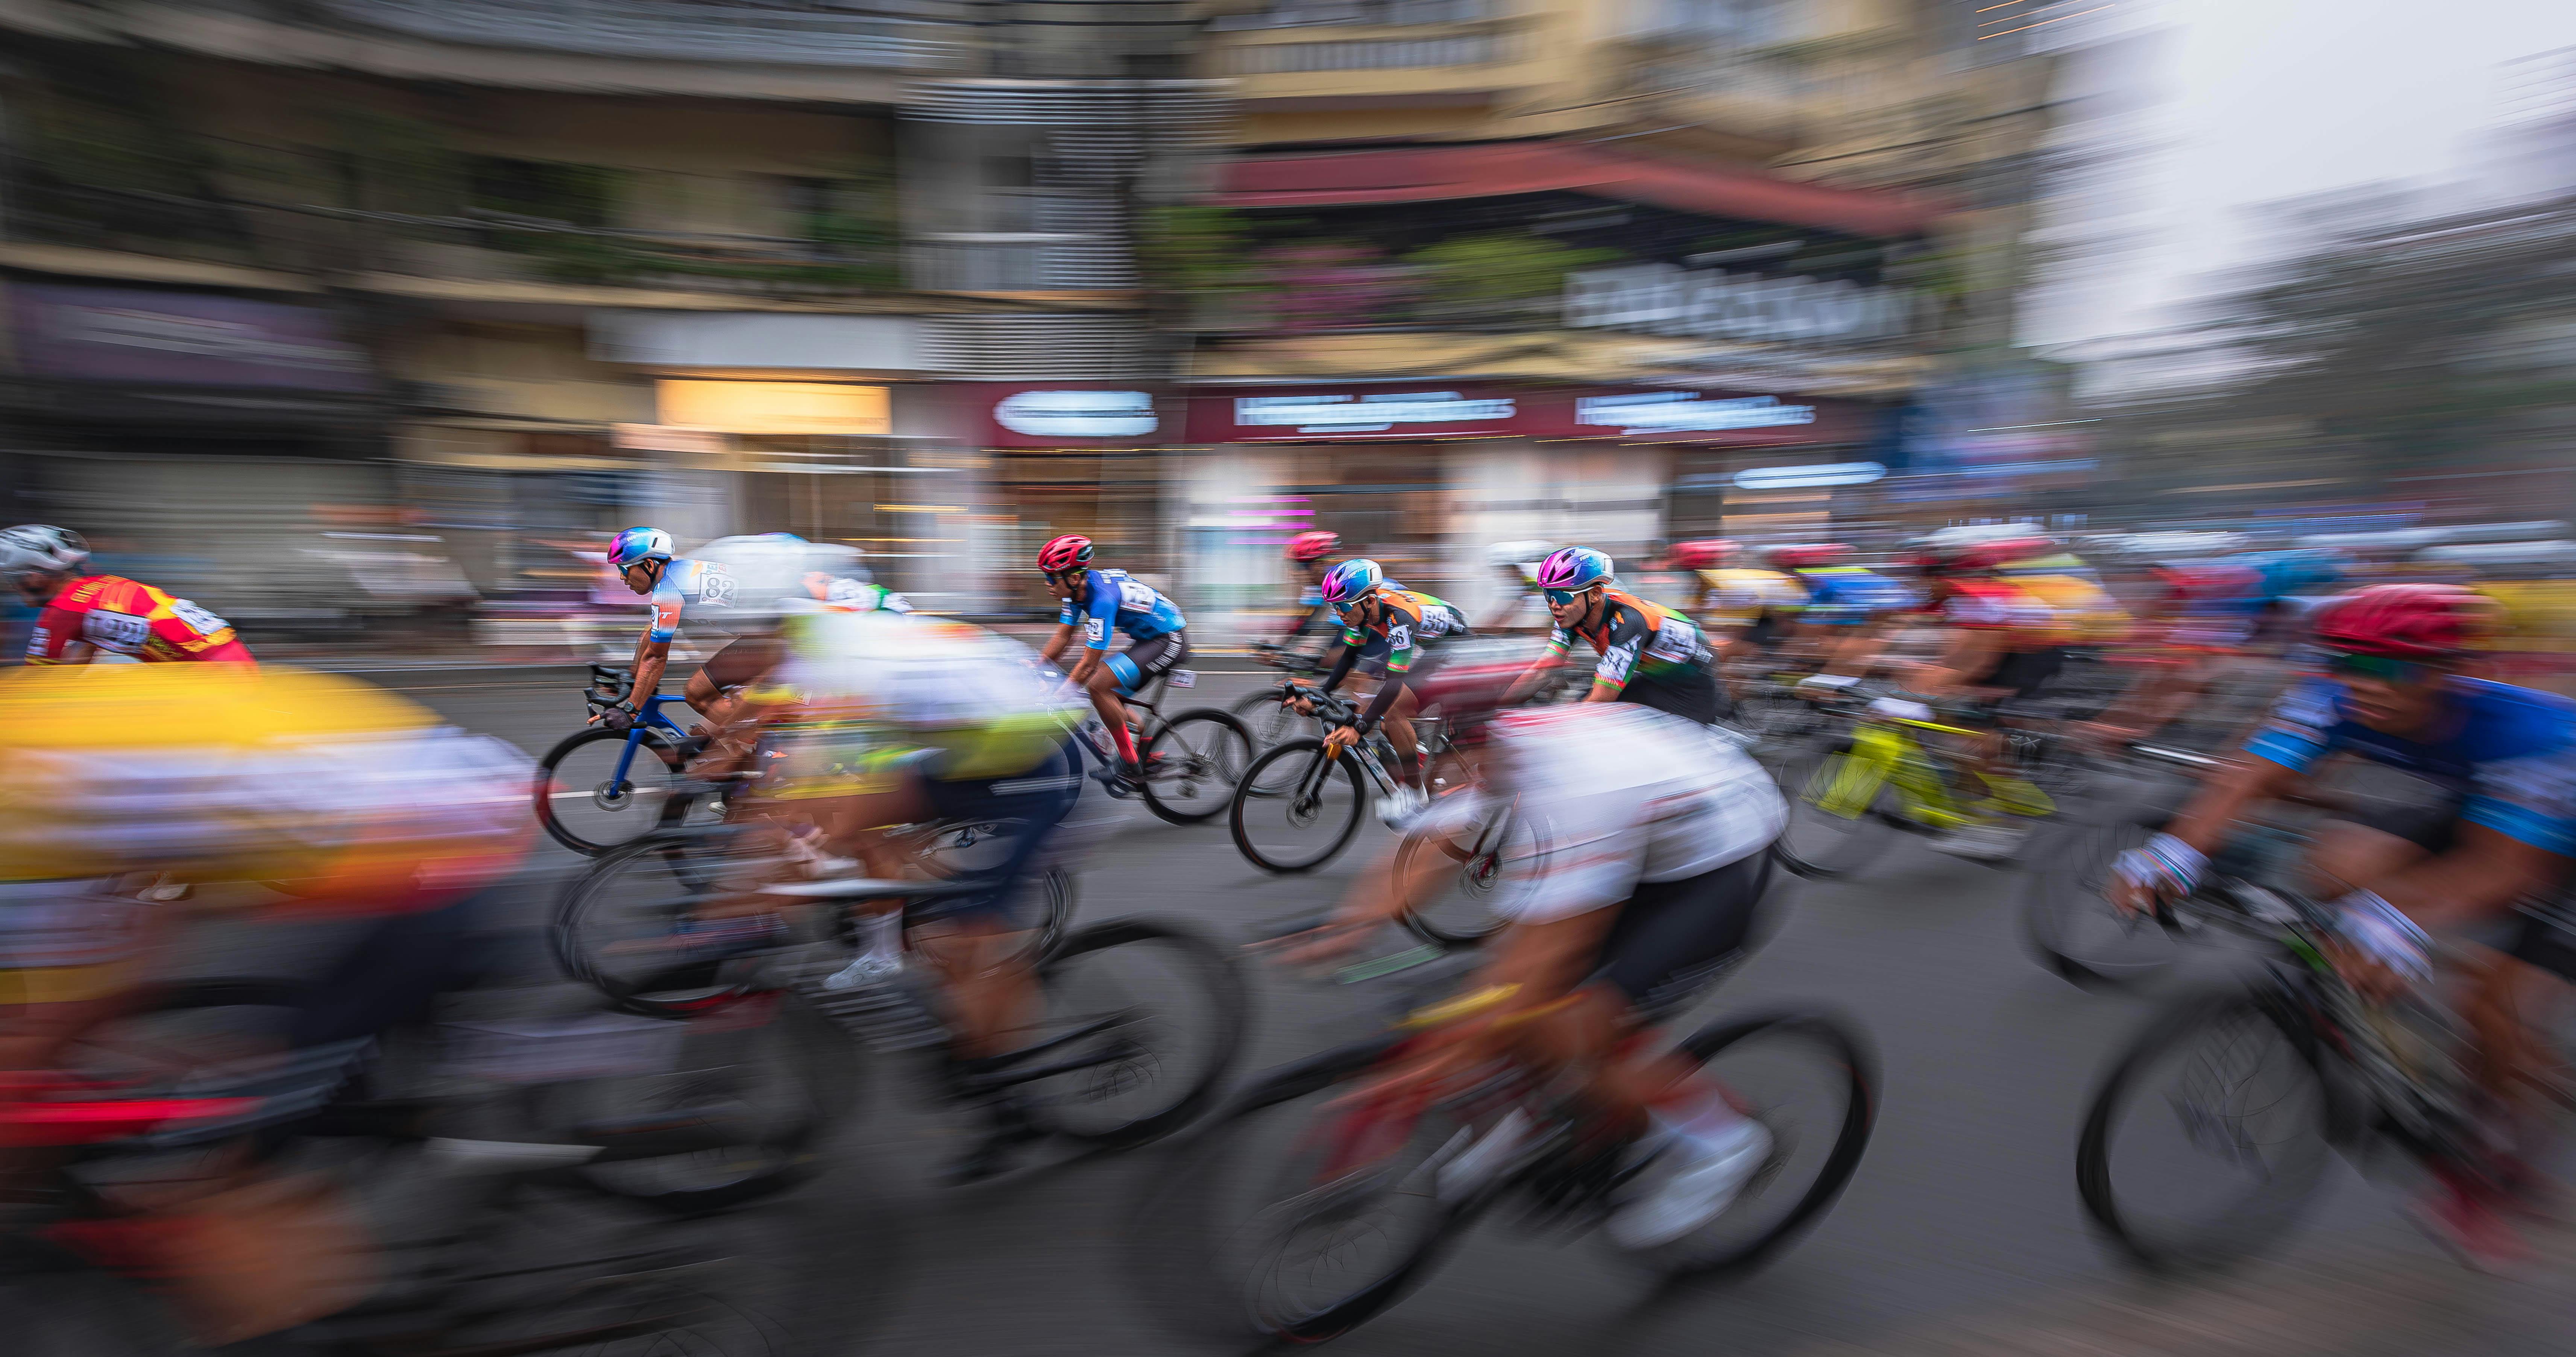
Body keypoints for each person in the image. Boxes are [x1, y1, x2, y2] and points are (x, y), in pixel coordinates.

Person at [2113, 583, 2576, 1264]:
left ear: (2447, 672)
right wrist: (2177, 851)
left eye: (2390, 669)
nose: (2366, 686)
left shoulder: (2534, 734)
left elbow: (2504, 873)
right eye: (2346, 663)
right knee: (2334, 863)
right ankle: (2396, 1007)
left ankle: (2487, 1159)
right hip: (2482, 804)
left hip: (2549, 847)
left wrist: (2398, 918)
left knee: (2492, 1006)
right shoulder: (2330, 695)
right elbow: (2243, 778)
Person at [1281, 662, 1788, 1249]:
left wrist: (1418, 1079)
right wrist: (1350, 926)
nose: (1449, 773)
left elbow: (1537, 967)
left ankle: (1721, 1143)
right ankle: (1536, 1105)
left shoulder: (1577, 791)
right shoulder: (1505, 750)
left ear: (1496, 737)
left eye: (1461, 757)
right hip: (1649, 837)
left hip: (1717, 865)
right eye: (1443, 754)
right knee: (1512, 1001)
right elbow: (1430, 848)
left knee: (1575, 1020)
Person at [718, 608, 1089, 1181]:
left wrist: (791, 866)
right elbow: (811, 778)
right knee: (868, 833)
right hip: (975, 748)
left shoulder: (855, 668)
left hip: (1042, 763)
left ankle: (1011, 1105)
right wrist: (775, 849)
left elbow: (851, 781)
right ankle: (914, 933)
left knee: (970, 945)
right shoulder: (823, 655)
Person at [1287, 559, 1470, 821]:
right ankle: (1415, 753)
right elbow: (1348, 659)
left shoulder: (1399, 618)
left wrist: (1359, 726)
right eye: (1334, 606)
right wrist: (1319, 696)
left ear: (1369, 601)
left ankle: (1414, 795)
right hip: (1434, 648)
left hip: (1458, 651)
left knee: (1394, 712)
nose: (1338, 613)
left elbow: (1395, 683)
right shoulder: (1361, 612)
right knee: (1386, 721)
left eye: (1342, 606)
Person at [1033, 534, 1188, 790]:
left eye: (1051, 577)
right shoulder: (1074, 594)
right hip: (1148, 638)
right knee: (1109, 694)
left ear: (1073, 578)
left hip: (1168, 639)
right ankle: (1144, 753)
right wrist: (1037, 666)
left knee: (1097, 685)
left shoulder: (1101, 600)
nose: (1047, 583)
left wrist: (1058, 698)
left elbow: (1088, 665)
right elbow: (1063, 636)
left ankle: (1130, 762)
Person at [1507, 546, 1724, 725]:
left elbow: (1602, 699)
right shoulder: (1572, 615)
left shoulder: (1627, 622)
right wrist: (1495, 713)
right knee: (1581, 707)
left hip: (1692, 681)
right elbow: (1542, 672)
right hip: (1653, 673)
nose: (1554, 605)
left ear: (1595, 594)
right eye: (1549, 595)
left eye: (1562, 596)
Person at [1, 524, 252, 665]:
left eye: (14, 577)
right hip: (232, 659)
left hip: (211, 676)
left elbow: (39, 683)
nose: (13, 586)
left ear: (36, 576)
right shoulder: (104, 584)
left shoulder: (60, 613)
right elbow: (81, 657)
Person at [598, 525, 742, 737]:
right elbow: (653, 632)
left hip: (774, 635)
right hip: (766, 633)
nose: (622, 578)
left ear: (648, 565)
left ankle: (762, 748)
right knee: (707, 727)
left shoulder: (669, 589)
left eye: (624, 569)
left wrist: (630, 712)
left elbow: (656, 658)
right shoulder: (680, 571)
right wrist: (632, 677)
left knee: (698, 695)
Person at [1480, 540, 1559, 631]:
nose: (1503, 575)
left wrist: (1494, 627)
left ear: (1513, 567)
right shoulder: (1528, 575)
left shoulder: (1536, 574)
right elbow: (1516, 604)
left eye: (1504, 570)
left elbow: (1518, 604)